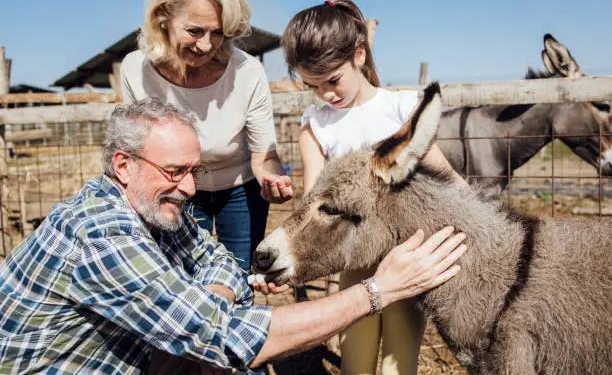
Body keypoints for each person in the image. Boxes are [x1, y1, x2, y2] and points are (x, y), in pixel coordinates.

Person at [0, 98, 467, 375]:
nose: (189, 187)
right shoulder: (102, 236)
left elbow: (218, 259)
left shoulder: (155, 206)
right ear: (123, 165)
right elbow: (231, 338)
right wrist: (378, 291)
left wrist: (214, 298)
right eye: (175, 171)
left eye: (195, 170)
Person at [283, 0, 468, 375]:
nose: (326, 95)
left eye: (332, 80)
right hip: (354, 257)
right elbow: (312, 200)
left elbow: (445, 175)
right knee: (356, 360)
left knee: (399, 363)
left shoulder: (401, 110)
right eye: (312, 86)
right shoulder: (315, 125)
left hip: (407, 255)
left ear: (359, 56)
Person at [120, 0, 292, 274]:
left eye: (218, 33)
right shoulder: (137, 71)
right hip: (177, 187)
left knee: (239, 276)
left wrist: (272, 178)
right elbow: (138, 149)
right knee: (182, 280)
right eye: (195, 31)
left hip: (240, 189)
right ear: (164, 18)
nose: (206, 45)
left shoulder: (247, 72)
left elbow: (264, 156)